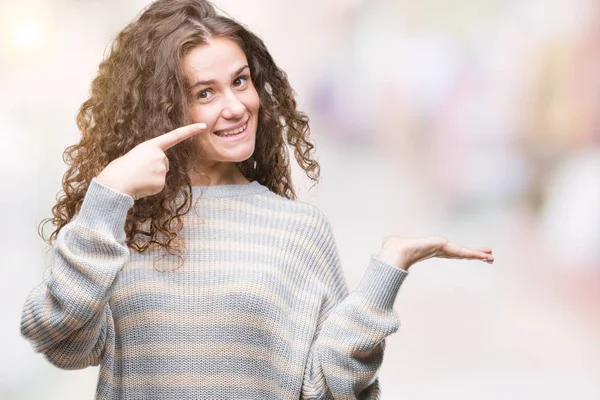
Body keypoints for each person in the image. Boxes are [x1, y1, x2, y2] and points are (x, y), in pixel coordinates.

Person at [20, 0, 494, 399]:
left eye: (241, 81)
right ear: (164, 107)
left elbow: (329, 388)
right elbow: (59, 340)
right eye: (205, 92)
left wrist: (386, 273)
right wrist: (109, 194)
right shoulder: (117, 226)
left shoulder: (297, 230)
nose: (235, 106)